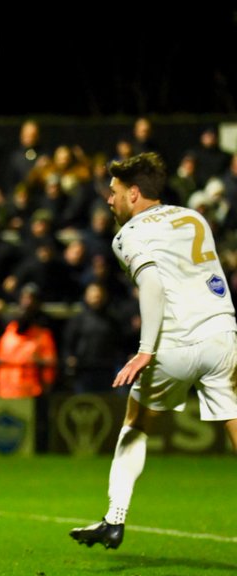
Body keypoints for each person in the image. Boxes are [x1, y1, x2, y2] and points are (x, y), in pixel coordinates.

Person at [71, 152, 237, 550]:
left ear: (133, 192)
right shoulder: (194, 217)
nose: (108, 201)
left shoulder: (127, 235)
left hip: (173, 344)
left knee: (136, 421)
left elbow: (153, 285)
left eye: (113, 193)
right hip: (222, 334)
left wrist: (146, 350)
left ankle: (114, 519)